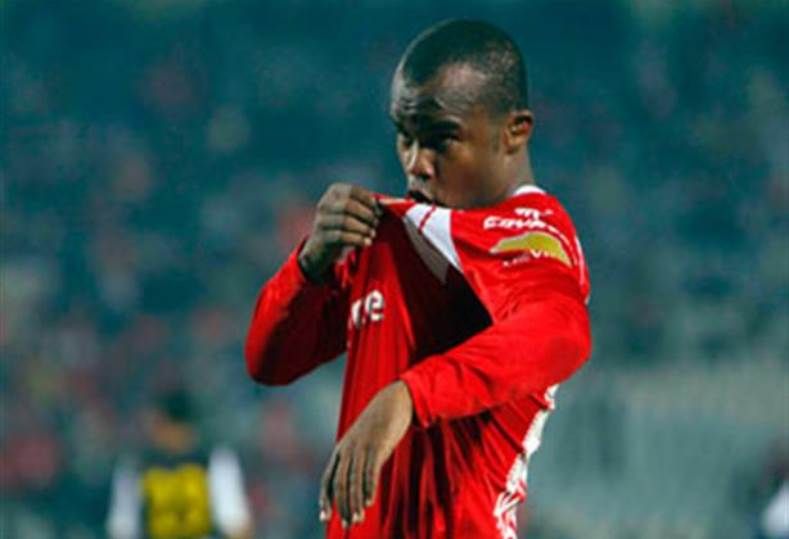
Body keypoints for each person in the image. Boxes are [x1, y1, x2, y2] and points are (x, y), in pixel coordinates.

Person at [245, 19, 591, 538]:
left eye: (440, 140)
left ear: (514, 131)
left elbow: (561, 332)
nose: (416, 164)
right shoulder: (390, 234)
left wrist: (407, 397)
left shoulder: (528, 233)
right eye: (404, 138)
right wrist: (308, 265)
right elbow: (269, 361)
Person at [106, 388, 253, 539]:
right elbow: (123, 528)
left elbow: (236, 525)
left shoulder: (216, 461)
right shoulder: (134, 467)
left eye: (158, 424)